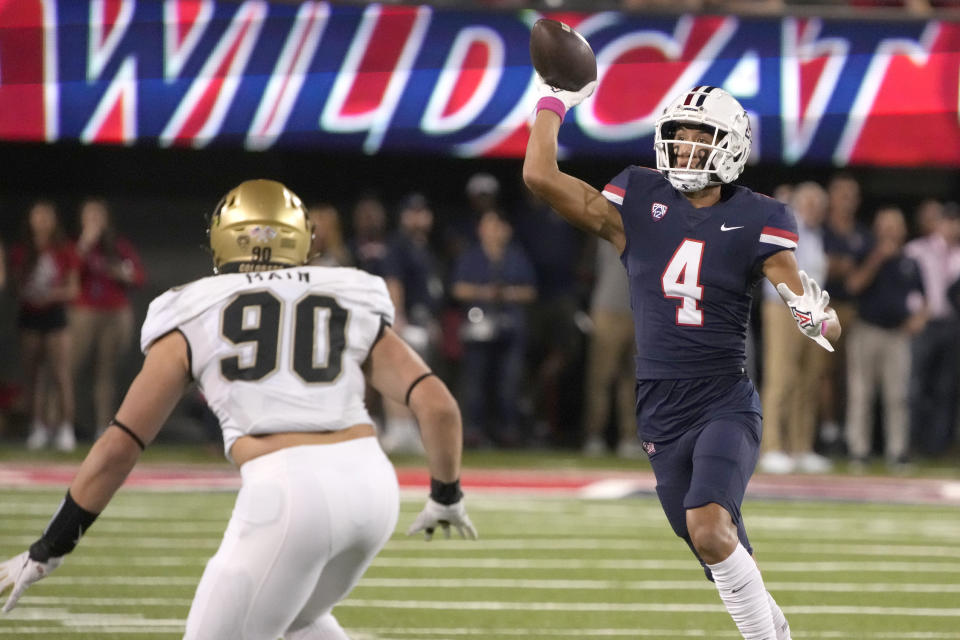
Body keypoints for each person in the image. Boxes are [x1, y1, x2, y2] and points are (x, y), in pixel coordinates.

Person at [0, 180, 477, 639]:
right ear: (302, 238)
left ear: (222, 239)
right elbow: (438, 406)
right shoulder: (347, 294)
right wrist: (446, 494)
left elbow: (120, 445)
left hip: (289, 491)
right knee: (295, 621)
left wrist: (51, 545)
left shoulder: (194, 307)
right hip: (373, 490)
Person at [524, 81, 840, 640]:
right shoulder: (638, 200)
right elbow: (540, 177)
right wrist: (554, 100)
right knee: (718, 550)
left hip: (723, 399)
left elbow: (797, 289)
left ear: (732, 147)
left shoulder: (758, 216)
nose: (688, 147)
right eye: (680, 135)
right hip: (659, 407)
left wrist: (813, 315)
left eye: (703, 137)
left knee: (710, 529)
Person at [758, 182, 832, 474]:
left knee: (807, 380)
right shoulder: (787, 226)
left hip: (812, 310)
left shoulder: (815, 235)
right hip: (783, 306)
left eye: (819, 205)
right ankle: (772, 447)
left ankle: (801, 447)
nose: (816, 210)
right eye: (810, 203)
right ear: (799, 204)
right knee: (781, 376)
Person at [845, 206, 926, 471]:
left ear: (903, 230)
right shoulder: (864, 252)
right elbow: (854, 285)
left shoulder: (910, 261)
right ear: (878, 228)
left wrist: (919, 319)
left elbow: (924, 298)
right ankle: (858, 451)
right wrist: (877, 257)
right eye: (886, 225)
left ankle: (897, 452)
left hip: (897, 335)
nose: (890, 230)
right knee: (861, 394)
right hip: (866, 330)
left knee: (898, 396)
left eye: (895, 225)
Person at [452, 208, 537, 447]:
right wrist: (484, 292)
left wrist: (507, 293)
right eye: (488, 226)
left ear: (505, 230)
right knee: (475, 383)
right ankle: (474, 432)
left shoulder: (516, 256)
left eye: (497, 226)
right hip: (478, 329)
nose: (492, 231)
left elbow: (531, 291)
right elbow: (458, 288)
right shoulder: (471, 256)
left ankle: (507, 432)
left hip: (510, 328)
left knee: (508, 383)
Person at [8, 200, 80, 451]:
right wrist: (27, 292)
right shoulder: (21, 250)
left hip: (55, 315)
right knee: (33, 376)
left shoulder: (64, 249)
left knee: (60, 374)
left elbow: (73, 288)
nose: (41, 222)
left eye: (45, 217)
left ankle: (65, 428)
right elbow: (15, 286)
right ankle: (37, 426)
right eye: (36, 217)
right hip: (30, 316)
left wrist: (50, 295)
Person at [71, 197, 146, 438]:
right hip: (84, 312)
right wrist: (84, 244)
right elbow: (68, 270)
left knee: (106, 373)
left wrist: (122, 274)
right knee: (70, 368)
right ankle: (63, 425)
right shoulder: (75, 246)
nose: (94, 221)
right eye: (89, 216)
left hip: (115, 312)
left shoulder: (119, 246)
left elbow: (138, 277)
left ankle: (103, 427)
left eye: (98, 216)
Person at [380, 193, 445, 455]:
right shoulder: (399, 244)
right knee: (398, 374)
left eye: (423, 212)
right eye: (413, 212)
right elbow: (393, 280)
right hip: (405, 321)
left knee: (419, 378)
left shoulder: (426, 247)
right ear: (404, 216)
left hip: (423, 321)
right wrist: (397, 315)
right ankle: (398, 430)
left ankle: (411, 430)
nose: (419, 218)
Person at [904, 202, 960, 457]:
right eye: (948, 220)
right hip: (924, 324)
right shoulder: (917, 250)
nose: (952, 226)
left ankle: (938, 446)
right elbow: (905, 286)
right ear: (939, 223)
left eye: (956, 221)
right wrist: (914, 314)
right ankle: (913, 442)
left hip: (952, 325)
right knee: (916, 386)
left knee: (946, 388)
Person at [581, 238, 639, 458]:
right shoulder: (609, 224)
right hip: (607, 308)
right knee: (600, 378)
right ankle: (594, 436)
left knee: (632, 379)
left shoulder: (652, 222)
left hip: (638, 309)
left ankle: (629, 437)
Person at [306, 202, 352, 267]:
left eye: (324, 228)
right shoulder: (300, 260)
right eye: (315, 230)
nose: (320, 234)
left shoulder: (341, 261)